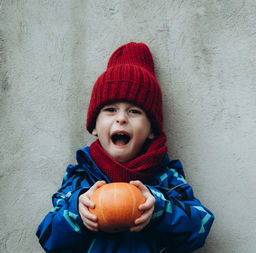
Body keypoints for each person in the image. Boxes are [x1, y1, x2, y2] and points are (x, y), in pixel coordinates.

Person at [36, 42, 214, 252]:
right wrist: (76, 212)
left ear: (151, 130)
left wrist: (160, 209)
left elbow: (200, 226)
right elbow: (47, 237)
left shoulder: (166, 178)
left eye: (134, 111)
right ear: (94, 127)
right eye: (110, 110)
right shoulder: (80, 178)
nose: (121, 118)